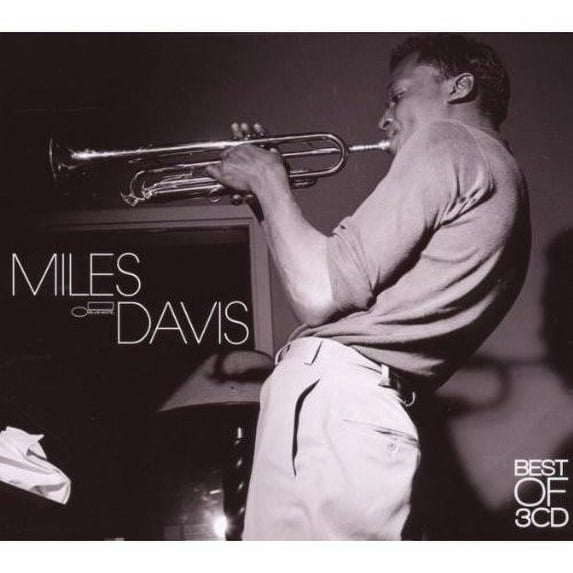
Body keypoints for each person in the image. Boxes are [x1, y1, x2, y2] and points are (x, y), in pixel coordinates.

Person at [206, 33, 531, 540]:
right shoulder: (500, 176)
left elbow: (318, 292)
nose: (384, 118)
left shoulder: (448, 141)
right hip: (353, 406)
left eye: (398, 96)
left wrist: (270, 181)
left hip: (342, 401)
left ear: (460, 87)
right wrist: (262, 199)